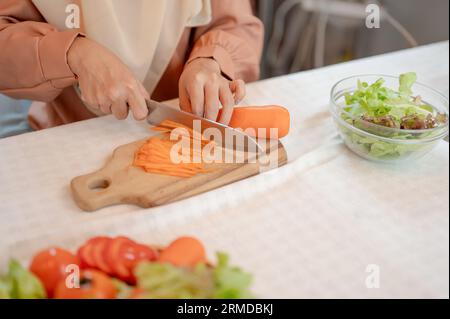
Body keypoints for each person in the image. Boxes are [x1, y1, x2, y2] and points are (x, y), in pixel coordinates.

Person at [0, 0, 263, 130]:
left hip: (184, 128)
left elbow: (236, 23)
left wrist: (211, 61)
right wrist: (73, 54)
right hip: (66, 129)